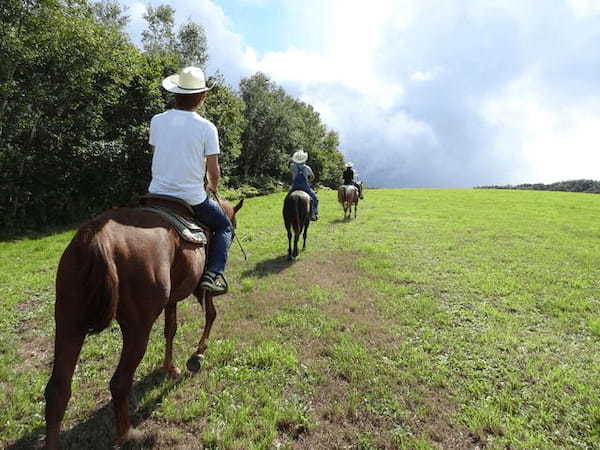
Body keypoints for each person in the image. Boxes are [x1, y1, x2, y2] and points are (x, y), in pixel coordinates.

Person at [148, 66, 232, 295]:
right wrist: (212, 186)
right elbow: (213, 172)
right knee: (224, 226)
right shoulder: (207, 128)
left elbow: (160, 154)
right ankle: (212, 275)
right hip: (191, 198)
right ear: (202, 97)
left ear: (175, 93)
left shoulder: (157, 120)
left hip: (155, 195)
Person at [289, 150, 319, 220]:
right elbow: (312, 177)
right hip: (305, 187)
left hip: (294, 187)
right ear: (304, 159)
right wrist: (308, 181)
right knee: (315, 198)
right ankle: (313, 213)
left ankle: (287, 213)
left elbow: (291, 170)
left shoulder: (292, 166)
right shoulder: (307, 168)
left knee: (287, 199)